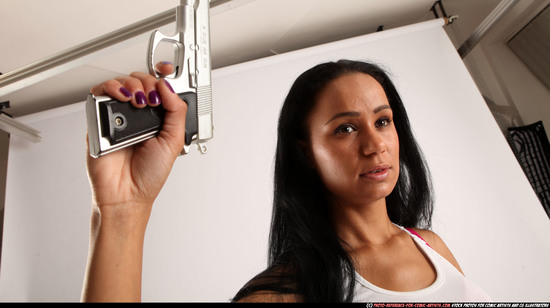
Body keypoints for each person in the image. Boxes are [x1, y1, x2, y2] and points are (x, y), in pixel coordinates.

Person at [81, 60, 491, 303]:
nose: (374, 144)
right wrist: (122, 211)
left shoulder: (430, 246)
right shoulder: (286, 295)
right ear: (305, 152)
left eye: (382, 121)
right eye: (345, 129)